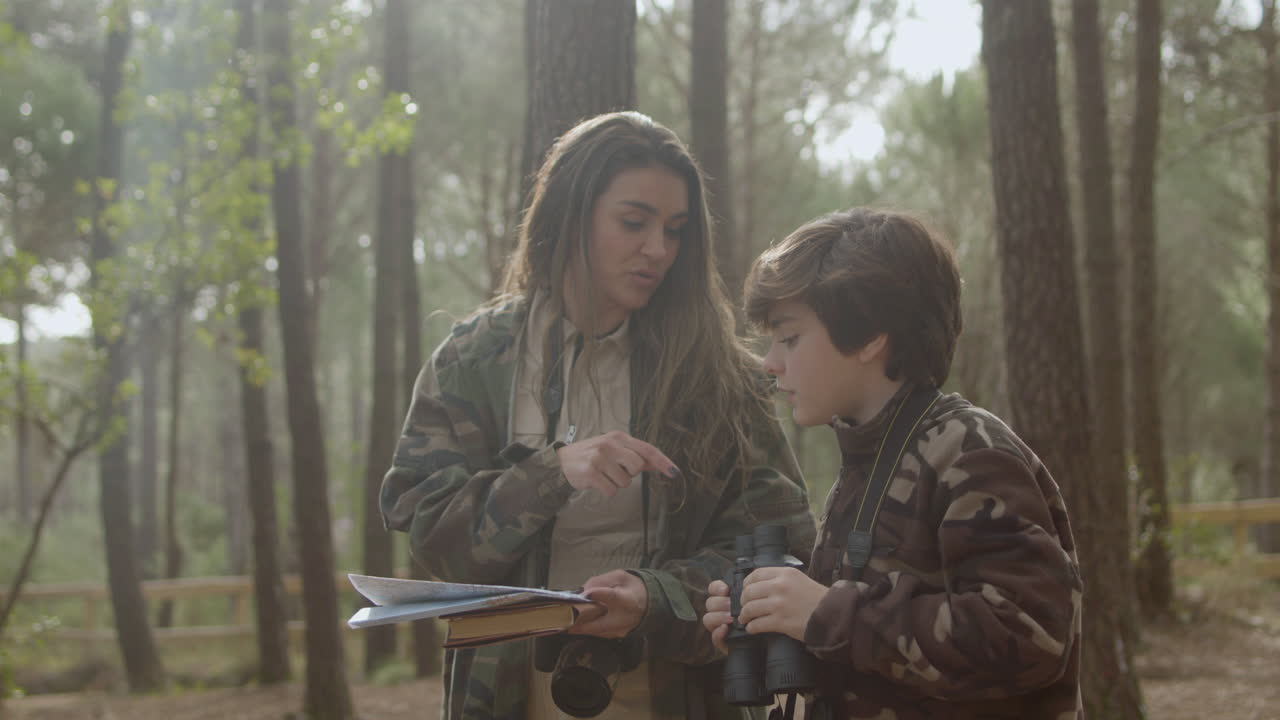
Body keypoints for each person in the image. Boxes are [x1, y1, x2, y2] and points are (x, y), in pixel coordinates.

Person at [381, 111, 816, 719]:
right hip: (510, 696)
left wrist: (654, 599)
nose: (658, 250)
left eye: (675, 228)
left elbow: (781, 544)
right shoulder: (473, 362)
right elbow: (433, 540)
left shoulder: (717, 376)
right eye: (633, 222)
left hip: (677, 694)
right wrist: (552, 473)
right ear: (569, 215)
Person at [702, 208, 1083, 719]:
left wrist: (825, 613)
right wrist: (774, 626)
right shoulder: (866, 464)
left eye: (789, 337)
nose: (770, 362)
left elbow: (1031, 638)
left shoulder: (969, 451)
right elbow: (879, 662)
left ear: (868, 336)